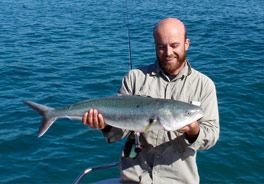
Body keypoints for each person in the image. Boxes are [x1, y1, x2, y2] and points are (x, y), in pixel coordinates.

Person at [82, 18, 219, 184]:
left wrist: (194, 131)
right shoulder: (135, 78)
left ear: (186, 43)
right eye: (161, 46)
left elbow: (211, 135)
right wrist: (105, 125)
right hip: (134, 179)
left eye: (174, 45)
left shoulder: (204, 85)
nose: (168, 52)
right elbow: (118, 135)